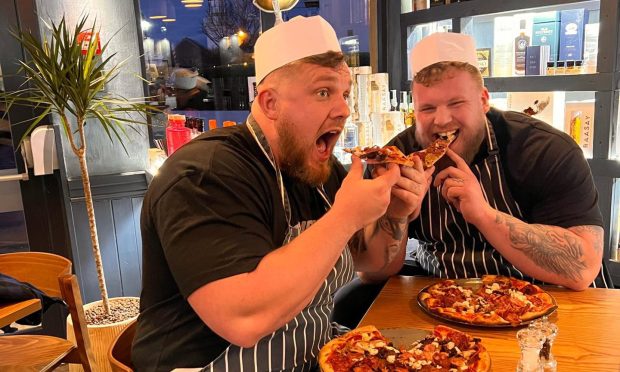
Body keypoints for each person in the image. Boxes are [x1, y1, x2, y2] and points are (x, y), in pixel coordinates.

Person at [132, 16, 425, 371]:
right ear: (270, 103)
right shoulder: (205, 175)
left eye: (345, 94)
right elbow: (243, 320)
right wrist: (346, 216)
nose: (344, 109)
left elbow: (374, 266)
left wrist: (395, 213)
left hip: (311, 357)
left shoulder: (319, 168)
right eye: (323, 92)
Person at [332, 32, 608, 328]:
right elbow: (372, 272)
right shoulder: (399, 158)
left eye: (456, 103)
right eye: (427, 108)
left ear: (483, 100)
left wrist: (484, 215)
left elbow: (582, 268)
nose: (441, 120)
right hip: (445, 309)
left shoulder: (542, 149)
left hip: (545, 307)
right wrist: (397, 213)